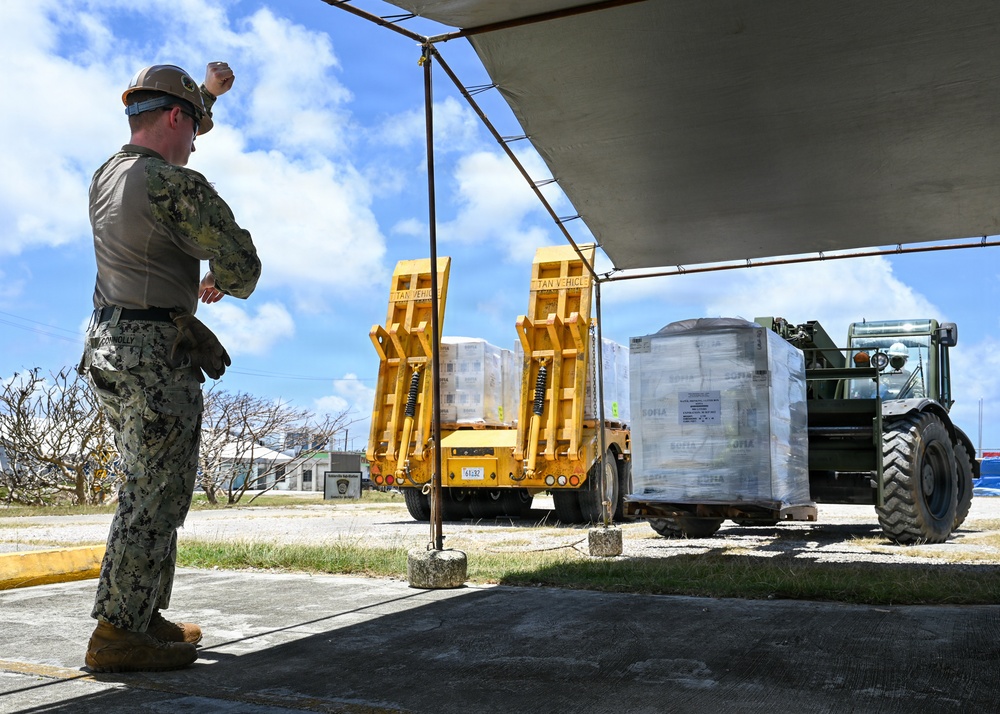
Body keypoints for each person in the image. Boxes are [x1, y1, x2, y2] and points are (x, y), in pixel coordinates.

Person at [80, 62, 261, 672]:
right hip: (155, 353)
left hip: (107, 344)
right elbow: (242, 263)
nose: (193, 146)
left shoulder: (107, 174)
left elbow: (180, 123)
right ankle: (118, 633)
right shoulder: (174, 185)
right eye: (192, 129)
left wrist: (206, 95)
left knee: (146, 485)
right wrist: (219, 281)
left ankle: (143, 616)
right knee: (155, 496)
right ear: (174, 119)